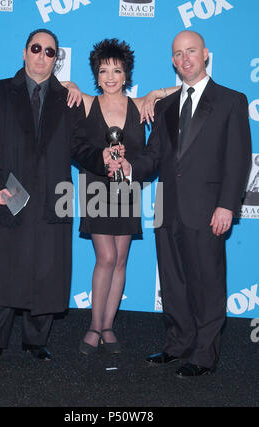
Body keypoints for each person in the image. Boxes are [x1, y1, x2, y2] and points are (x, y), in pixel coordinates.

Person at [114, 30, 251, 376]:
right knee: (173, 282)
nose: (184, 58)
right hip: (168, 208)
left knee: (207, 283)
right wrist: (131, 167)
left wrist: (226, 205)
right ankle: (177, 344)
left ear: (206, 54)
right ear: (172, 60)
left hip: (208, 210)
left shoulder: (231, 100)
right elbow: (154, 155)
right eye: (177, 53)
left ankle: (204, 355)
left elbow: (238, 159)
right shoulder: (166, 106)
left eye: (191, 51)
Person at [0, 29, 112, 366]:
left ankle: (36, 341)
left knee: (48, 269)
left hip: (54, 195)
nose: (42, 55)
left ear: (56, 59)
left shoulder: (68, 99)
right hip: (10, 192)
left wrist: (102, 159)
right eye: (36, 48)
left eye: (50, 52)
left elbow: (80, 147)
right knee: (2, 269)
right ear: (24, 52)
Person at [76, 39, 177, 355]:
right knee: (105, 257)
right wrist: (66, 82)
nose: (110, 77)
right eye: (103, 70)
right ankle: (94, 325)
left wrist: (156, 94)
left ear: (126, 74)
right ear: (96, 74)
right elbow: (77, 146)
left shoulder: (140, 106)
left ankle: (108, 325)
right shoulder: (87, 104)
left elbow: (192, 89)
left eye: (116, 70)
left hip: (128, 189)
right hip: (96, 188)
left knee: (121, 259)